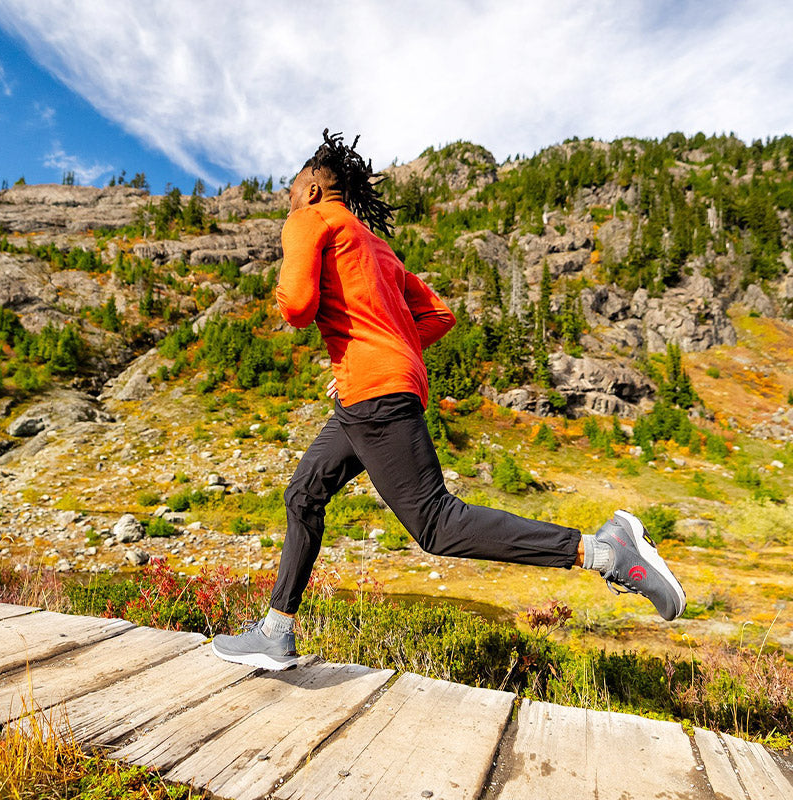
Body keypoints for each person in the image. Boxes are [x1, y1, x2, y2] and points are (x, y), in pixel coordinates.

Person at [212, 131, 686, 670]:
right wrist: (385, 351)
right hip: (369, 392)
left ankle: (604, 551)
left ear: (316, 188)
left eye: (293, 189)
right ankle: (277, 630)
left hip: (373, 391)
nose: (288, 199)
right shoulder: (378, 249)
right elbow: (439, 316)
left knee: (435, 524)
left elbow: (296, 306)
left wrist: (367, 353)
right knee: (304, 494)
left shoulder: (309, 220)